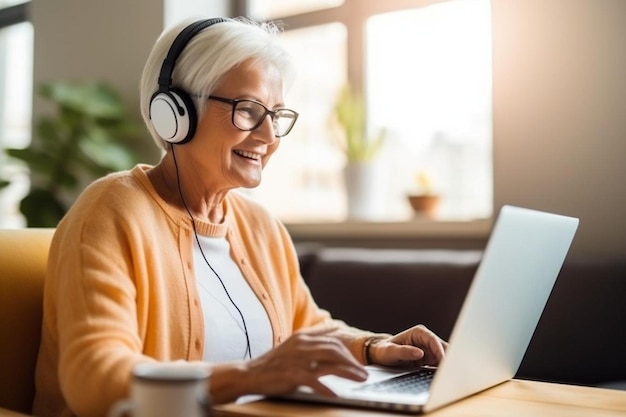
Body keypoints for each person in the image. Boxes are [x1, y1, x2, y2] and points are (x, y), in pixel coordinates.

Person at [32, 16, 447, 417]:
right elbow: (93, 380)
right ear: (177, 112)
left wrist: (378, 347)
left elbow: (309, 329)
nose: (268, 138)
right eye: (248, 110)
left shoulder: (260, 226)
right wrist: (251, 376)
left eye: (277, 116)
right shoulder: (111, 211)